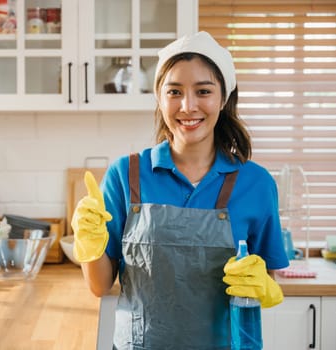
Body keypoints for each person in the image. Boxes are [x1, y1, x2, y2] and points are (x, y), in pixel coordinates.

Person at [71, 31, 289, 349]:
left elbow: (269, 277)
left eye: (203, 91)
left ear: (223, 98)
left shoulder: (256, 184)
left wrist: (265, 288)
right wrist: (89, 243)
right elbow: (100, 286)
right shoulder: (125, 174)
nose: (188, 106)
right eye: (174, 91)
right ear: (160, 97)